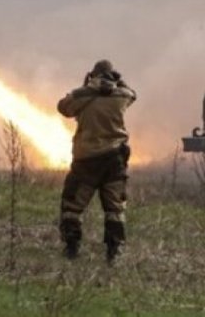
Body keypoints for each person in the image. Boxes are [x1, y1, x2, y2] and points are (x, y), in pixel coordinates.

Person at [55, 59, 136, 263]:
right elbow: (133, 94)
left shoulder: (82, 95)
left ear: (93, 75)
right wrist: (119, 81)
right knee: (115, 208)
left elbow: (63, 107)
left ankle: (72, 248)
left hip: (86, 160)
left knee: (72, 205)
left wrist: (86, 86)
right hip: (114, 160)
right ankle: (114, 252)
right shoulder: (121, 95)